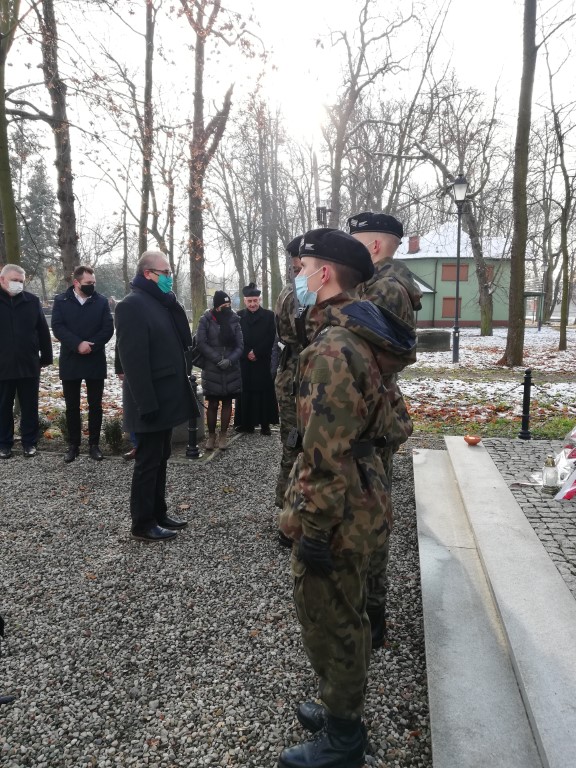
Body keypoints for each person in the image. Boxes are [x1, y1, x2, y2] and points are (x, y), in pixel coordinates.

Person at [278, 228, 416, 768]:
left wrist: (312, 528)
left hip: (339, 512)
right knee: (349, 612)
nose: (298, 277)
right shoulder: (359, 335)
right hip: (362, 496)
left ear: (326, 274)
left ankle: (343, 739)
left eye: (303, 267)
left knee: (332, 618)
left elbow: (324, 454)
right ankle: (338, 706)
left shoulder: (334, 349)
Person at [347, 211, 421, 648]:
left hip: (371, 420)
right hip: (371, 415)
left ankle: (372, 614)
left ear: (373, 247)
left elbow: (369, 361)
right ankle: (368, 609)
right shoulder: (380, 283)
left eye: (357, 243)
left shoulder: (385, 289)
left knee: (370, 520)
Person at [115, 250, 198, 542]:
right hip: (148, 401)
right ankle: (142, 523)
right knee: (148, 462)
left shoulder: (160, 303)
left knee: (161, 457)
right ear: (148, 273)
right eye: (166, 272)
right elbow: (133, 361)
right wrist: (146, 403)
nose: (170, 277)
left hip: (166, 397)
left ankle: (158, 512)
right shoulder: (132, 306)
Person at [51, 265, 114, 463]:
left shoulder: (101, 301)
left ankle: (94, 444)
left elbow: (108, 328)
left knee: (95, 405)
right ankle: (73, 444)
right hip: (71, 359)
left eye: (93, 283)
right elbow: (58, 327)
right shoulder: (61, 301)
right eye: (88, 283)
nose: (92, 286)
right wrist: (77, 344)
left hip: (94, 359)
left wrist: (90, 346)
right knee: (72, 406)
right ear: (76, 283)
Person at [0, 264, 53, 459]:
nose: (18, 284)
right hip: (2, 365)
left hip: (29, 363)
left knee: (30, 406)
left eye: (21, 281)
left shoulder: (31, 301)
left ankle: (29, 442)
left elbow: (42, 331)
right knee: (2, 406)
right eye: (15, 280)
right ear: (2, 280)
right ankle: (4, 443)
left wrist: (46, 357)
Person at [274, 235, 305, 546]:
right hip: (295, 378)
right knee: (295, 447)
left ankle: (290, 514)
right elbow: (297, 333)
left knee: (294, 447)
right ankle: (288, 520)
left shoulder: (296, 288)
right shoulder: (296, 291)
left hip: (295, 375)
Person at [196, 290, 243, 451]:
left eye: (229, 305)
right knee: (213, 403)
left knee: (228, 403)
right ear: (216, 307)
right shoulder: (206, 320)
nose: (227, 308)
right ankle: (211, 435)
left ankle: (223, 435)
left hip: (231, 367)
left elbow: (240, 345)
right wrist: (217, 359)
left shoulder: (235, 320)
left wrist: (230, 360)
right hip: (212, 368)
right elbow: (201, 343)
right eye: (224, 305)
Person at [235, 282, 279, 435]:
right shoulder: (238, 316)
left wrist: (257, 352)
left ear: (259, 300)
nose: (253, 304)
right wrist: (247, 352)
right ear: (245, 301)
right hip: (245, 360)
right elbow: (236, 338)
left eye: (255, 301)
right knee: (246, 391)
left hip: (262, 359)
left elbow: (271, 336)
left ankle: (265, 424)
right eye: (249, 301)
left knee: (264, 392)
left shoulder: (269, 316)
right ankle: (247, 424)